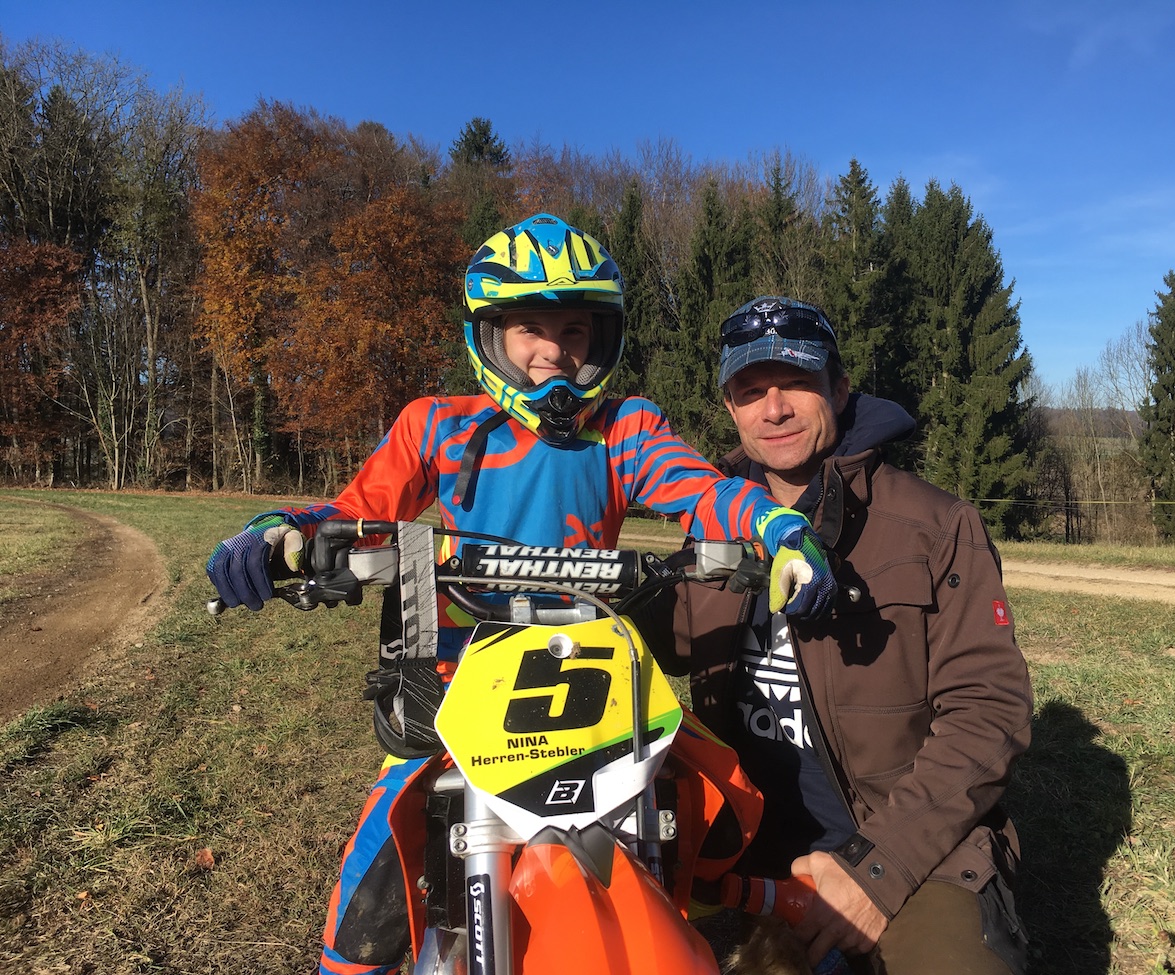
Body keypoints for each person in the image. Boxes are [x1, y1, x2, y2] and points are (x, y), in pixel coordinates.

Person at [204, 218, 837, 975]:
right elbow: (356, 509)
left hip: (596, 669)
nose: (554, 350)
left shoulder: (625, 427)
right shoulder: (436, 424)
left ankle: (753, 905)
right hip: (458, 676)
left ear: (604, 336)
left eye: (575, 328)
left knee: (710, 799)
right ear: (490, 334)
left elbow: (699, 487)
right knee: (381, 852)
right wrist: (278, 532)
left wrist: (774, 523)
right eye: (531, 327)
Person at [646, 296, 1033, 974]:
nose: (774, 409)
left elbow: (988, 709)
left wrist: (876, 872)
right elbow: (663, 636)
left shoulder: (936, 526)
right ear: (730, 408)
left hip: (904, 845)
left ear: (840, 387)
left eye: (795, 382)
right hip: (746, 851)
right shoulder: (709, 522)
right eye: (750, 390)